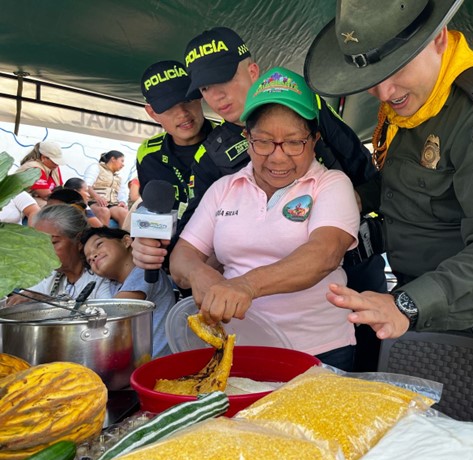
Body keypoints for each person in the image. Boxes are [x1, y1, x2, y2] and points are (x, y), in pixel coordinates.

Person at [304, 0, 473, 359]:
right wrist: (349, 199)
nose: (384, 93)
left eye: (398, 67)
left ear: (438, 40)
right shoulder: (410, 109)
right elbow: (403, 185)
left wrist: (408, 305)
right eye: (372, 80)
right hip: (418, 312)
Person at [132, 27, 386, 371]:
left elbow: (370, 181)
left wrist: (337, 205)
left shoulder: (309, 109)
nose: (217, 96)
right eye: (206, 89)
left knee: (365, 372)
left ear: (252, 71)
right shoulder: (211, 157)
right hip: (251, 324)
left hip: (348, 281)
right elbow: (189, 246)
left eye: (224, 81)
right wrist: (164, 253)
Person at [169, 67, 361, 370]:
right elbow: (182, 256)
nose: (278, 156)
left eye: (294, 142)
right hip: (238, 351)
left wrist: (245, 286)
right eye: (263, 141)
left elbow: (323, 255)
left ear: (314, 140)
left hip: (318, 352)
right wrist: (198, 273)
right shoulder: (224, 188)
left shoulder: (331, 184)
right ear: (247, 138)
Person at [82, 227, 176, 357]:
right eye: (89, 260)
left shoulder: (144, 271)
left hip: (157, 365)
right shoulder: (114, 285)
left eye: (99, 244)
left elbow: (115, 311)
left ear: (126, 241)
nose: (93, 256)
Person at [136, 60, 212, 219]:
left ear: (200, 97)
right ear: (152, 113)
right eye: (168, 106)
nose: (182, 113)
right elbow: (151, 213)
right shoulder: (148, 154)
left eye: (187, 100)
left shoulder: (233, 141)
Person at [6, 204, 112, 306]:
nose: (44, 252)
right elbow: (29, 295)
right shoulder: (52, 277)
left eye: (53, 243)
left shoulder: (103, 279)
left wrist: (47, 300)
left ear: (79, 240)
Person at [84, 150, 128, 226]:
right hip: (94, 202)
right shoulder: (96, 167)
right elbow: (86, 186)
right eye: (122, 161)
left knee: (124, 213)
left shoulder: (119, 176)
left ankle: (123, 237)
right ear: (113, 159)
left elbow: (122, 193)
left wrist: (122, 202)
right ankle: (103, 237)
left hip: (112, 204)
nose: (123, 164)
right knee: (104, 211)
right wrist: (97, 197)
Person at [16, 141, 66, 207]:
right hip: (22, 199)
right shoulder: (34, 169)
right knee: (51, 208)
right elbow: (47, 196)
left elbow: (61, 188)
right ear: (43, 158)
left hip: (44, 198)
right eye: (54, 161)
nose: (57, 164)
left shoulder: (54, 167)